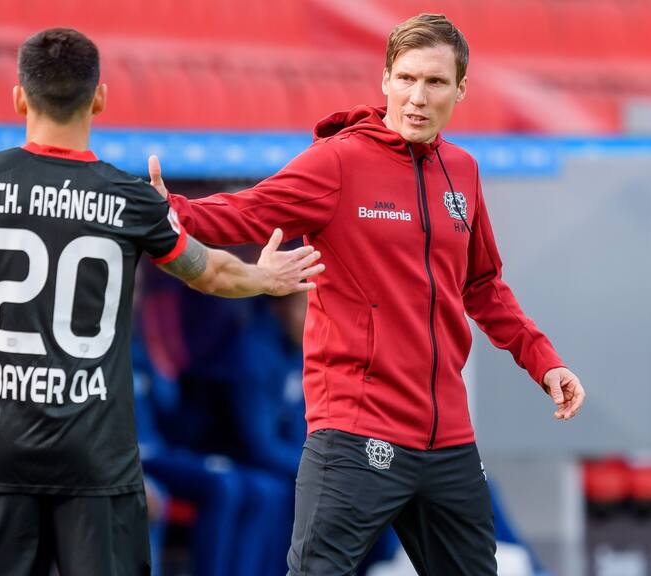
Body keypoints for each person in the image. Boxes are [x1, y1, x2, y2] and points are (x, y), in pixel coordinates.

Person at [153, 13, 585, 575]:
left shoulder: (464, 171)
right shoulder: (340, 160)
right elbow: (250, 209)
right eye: (405, 78)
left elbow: (483, 286)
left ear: (460, 90)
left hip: (447, 440)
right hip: (357, 434)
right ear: (384, 80)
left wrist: (543, 361)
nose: (417, 96)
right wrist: (170, 212)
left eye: (434, 82)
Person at [0, 28, 323, 576]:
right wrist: (265, 277)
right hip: (95, 459)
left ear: (19, 96)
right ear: (99, 98)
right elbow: (211, 272)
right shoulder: (130, 199)